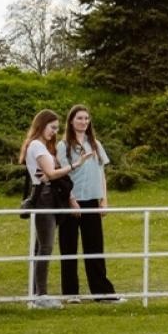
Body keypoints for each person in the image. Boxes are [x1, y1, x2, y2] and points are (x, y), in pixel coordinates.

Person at [57, 104, 121, 302]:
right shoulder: (63, 146)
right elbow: (62, 175)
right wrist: (72, 200)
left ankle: (102, 292)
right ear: (71, 121)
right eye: (79, 118)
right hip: (71, 202)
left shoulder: (95, 144)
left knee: (94, 248)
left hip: (92, 200)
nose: (84, 122)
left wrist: (104, 199)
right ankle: (71, 293)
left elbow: (101, 172)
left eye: (86, 118)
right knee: (68, 248)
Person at [21, 109, 81, 309]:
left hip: (45, 195)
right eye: (52, 127)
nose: (54, 132)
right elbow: (50, 173)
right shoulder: (37, 145)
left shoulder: (38, 145)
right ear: (42, 124)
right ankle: (41, 294)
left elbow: (49, 174)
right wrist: (75, 165)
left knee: (42, 247)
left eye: (56, 128)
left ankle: (37, 293)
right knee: (45, 247)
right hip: (44, 198)